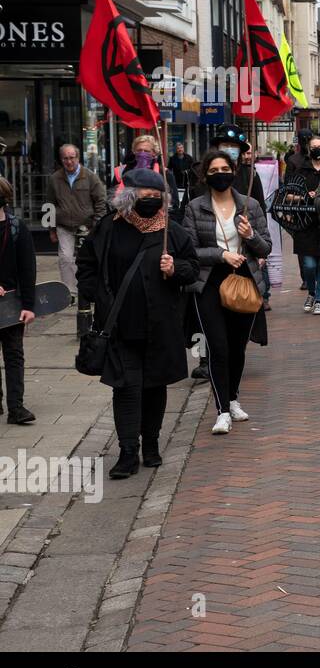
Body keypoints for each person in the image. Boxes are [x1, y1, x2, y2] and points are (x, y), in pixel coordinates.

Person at [78, 169, 199, 477]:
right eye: (143, 195)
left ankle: (152, 444)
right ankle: (128, 451)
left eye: (155, 196)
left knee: (154, 387)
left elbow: (193, 270)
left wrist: (176, 268)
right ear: (129, 197)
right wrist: (97, 295)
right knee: (127, 388)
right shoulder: (110, 227)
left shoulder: (172, 231)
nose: (149, 201)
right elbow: (86, 264)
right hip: (120, 325)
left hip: (161, 325)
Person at [183, 150, 272, 436]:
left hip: (244, 281)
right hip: (209, 282)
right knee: (217, 347)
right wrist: (221, 255)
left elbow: (266, 246)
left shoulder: (250, 205)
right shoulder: (195, 208)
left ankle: (232, 397)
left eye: (225, 168)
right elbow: (190, 251)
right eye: (214, 169)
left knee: (237, 347)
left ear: (233, 171)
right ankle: (221, 411)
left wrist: (250, 237)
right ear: (205, 175)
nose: (220, 174)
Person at [0, 177, 37, 426]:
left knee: (14, 354)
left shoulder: (16, 227)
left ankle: (16, 407)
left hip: (12, 303)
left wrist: (29, 306)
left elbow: (28, 268)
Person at [49, 144, 108, 297]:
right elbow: (48, 204)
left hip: (87, 226)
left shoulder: (90, 177)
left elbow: (101, 200)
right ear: (61, 160)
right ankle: (71, 293)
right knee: (66, 258)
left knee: (87, 258)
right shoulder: (54, 179)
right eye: (65, 158)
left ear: (78, 157)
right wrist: (50, 229)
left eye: (72, 158)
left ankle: (89, 288)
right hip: (64, 226)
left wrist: (98, 223)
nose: (69, 161)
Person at [287, 134, 320, 314]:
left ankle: (319, 300)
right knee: (309, 265)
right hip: (304, 223)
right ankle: (312, 293)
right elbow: (288, 194)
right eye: (314, 146)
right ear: (308, 148)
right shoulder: (301, 170)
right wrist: (306, 196)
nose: (317, 149)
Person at [115, 135, 179, 210]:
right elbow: (112, 197)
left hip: (156, 218)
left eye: (146, 151)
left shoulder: (165, 174)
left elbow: (174, 203)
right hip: (126, 217)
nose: (142, 153)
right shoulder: (122, 171)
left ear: (154, 153)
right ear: (134, 151)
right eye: (139, 150)